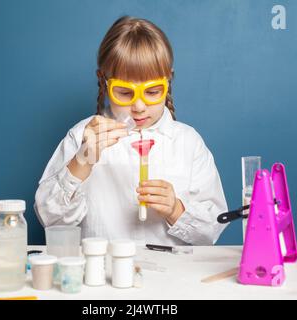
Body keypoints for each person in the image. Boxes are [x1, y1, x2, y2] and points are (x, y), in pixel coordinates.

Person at [34, 16, 228, 245]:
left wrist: (176, 209)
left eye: (153, 92)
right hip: (102, 276)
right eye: (125, 93)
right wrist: (82, 161)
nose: (138, 106)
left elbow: (212, 230)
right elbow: (51, 222)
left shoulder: (187, 142)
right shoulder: (82, 137)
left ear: (168, 81)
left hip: (171, 277)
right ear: (103, 81)